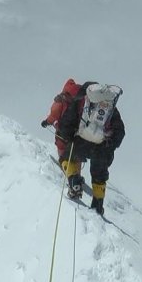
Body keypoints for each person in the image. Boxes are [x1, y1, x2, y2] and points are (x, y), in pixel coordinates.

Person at [57, 82, 124, 216]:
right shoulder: (110, 108)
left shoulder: (80, 102)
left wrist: (68, 137)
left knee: (66, 158)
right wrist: (110, 146)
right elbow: (120, 131)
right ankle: (98, 204)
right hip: (101, 147)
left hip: (80, 142)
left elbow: (66, 123)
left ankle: (73, 180)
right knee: (99, 175)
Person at [40, 78, 83, 160]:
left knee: (61, 145)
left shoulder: (61, 99)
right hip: (77, 131)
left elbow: (54, 114)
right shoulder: (81, 99)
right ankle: (75, 167)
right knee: (75, 150)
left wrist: (46, 122)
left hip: (63, 131)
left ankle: (63, 162)